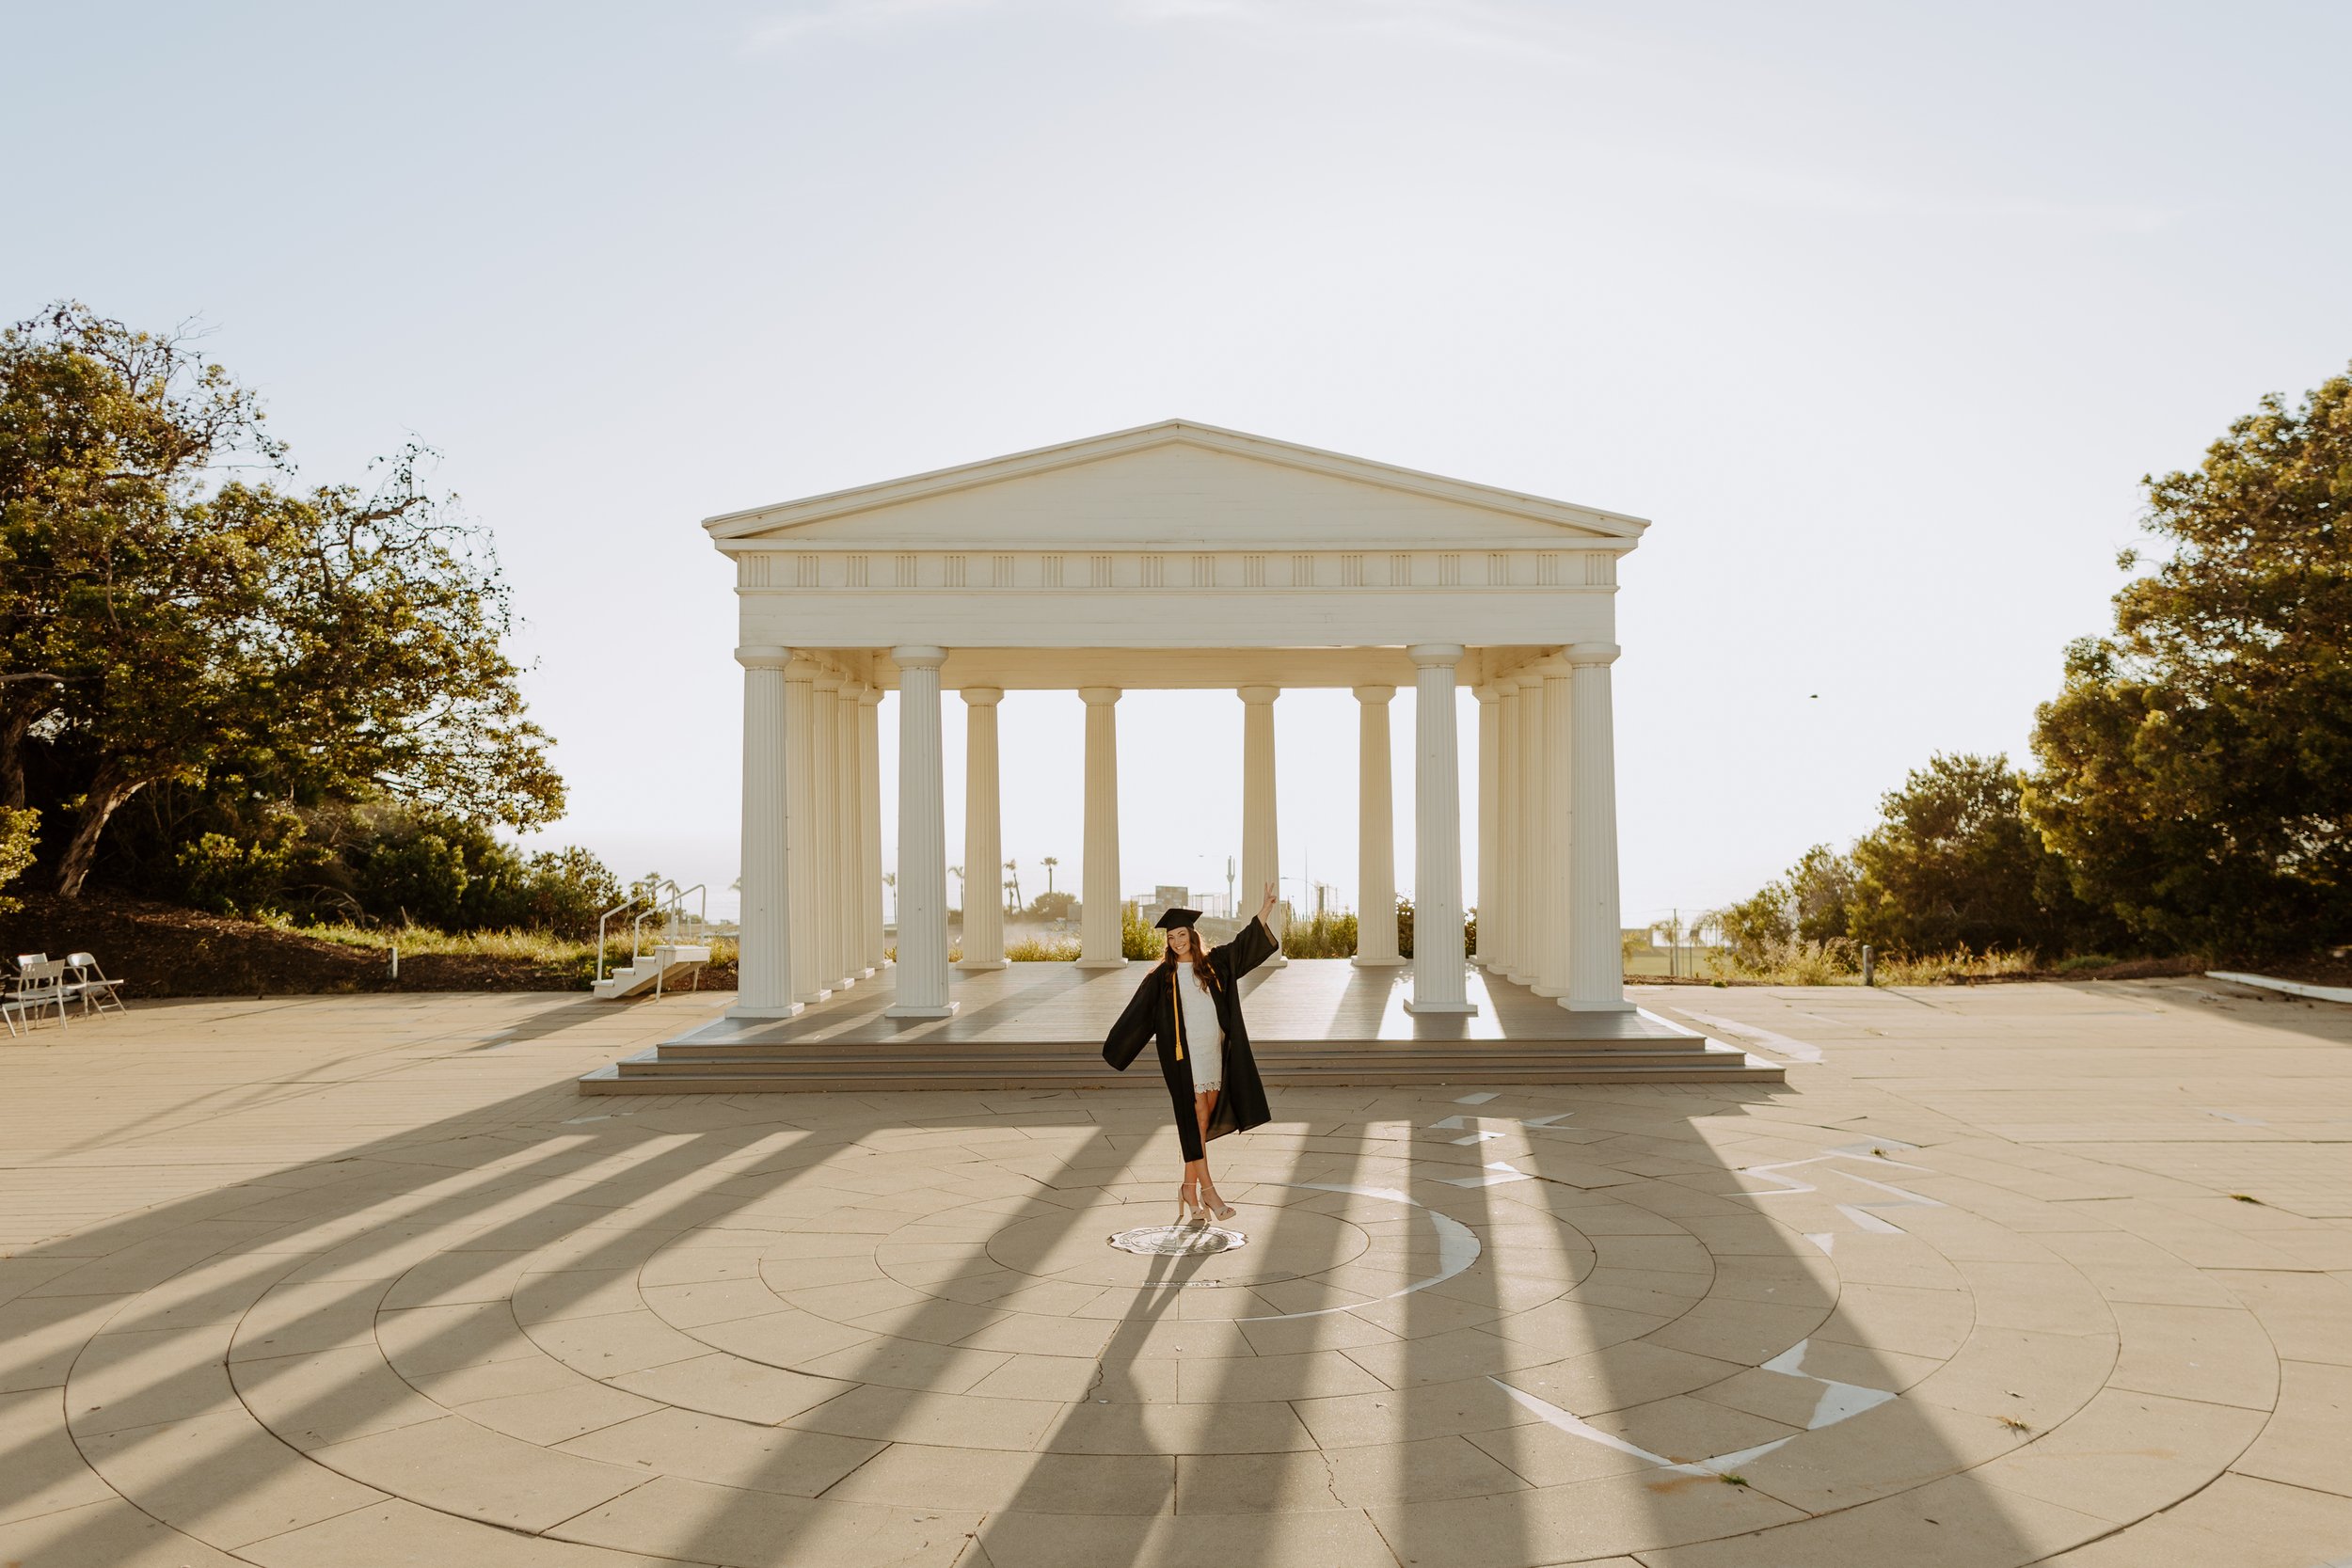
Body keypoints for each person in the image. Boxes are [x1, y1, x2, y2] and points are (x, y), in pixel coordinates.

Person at [1101, 884, 1282, 1224]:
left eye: (1182, 935)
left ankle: (1187, 1186)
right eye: (1172, 938)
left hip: (1211, 1051)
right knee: (1195, 1117)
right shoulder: (1161, 977)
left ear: (1192, 935)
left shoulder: (1214, 965)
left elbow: (1244, 944)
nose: (1177, 942)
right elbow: (1136, 1014)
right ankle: (1210, 1193)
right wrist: (1116, 1047)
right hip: (1184, 1059)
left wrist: (1266, 909)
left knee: (1200, 1121)